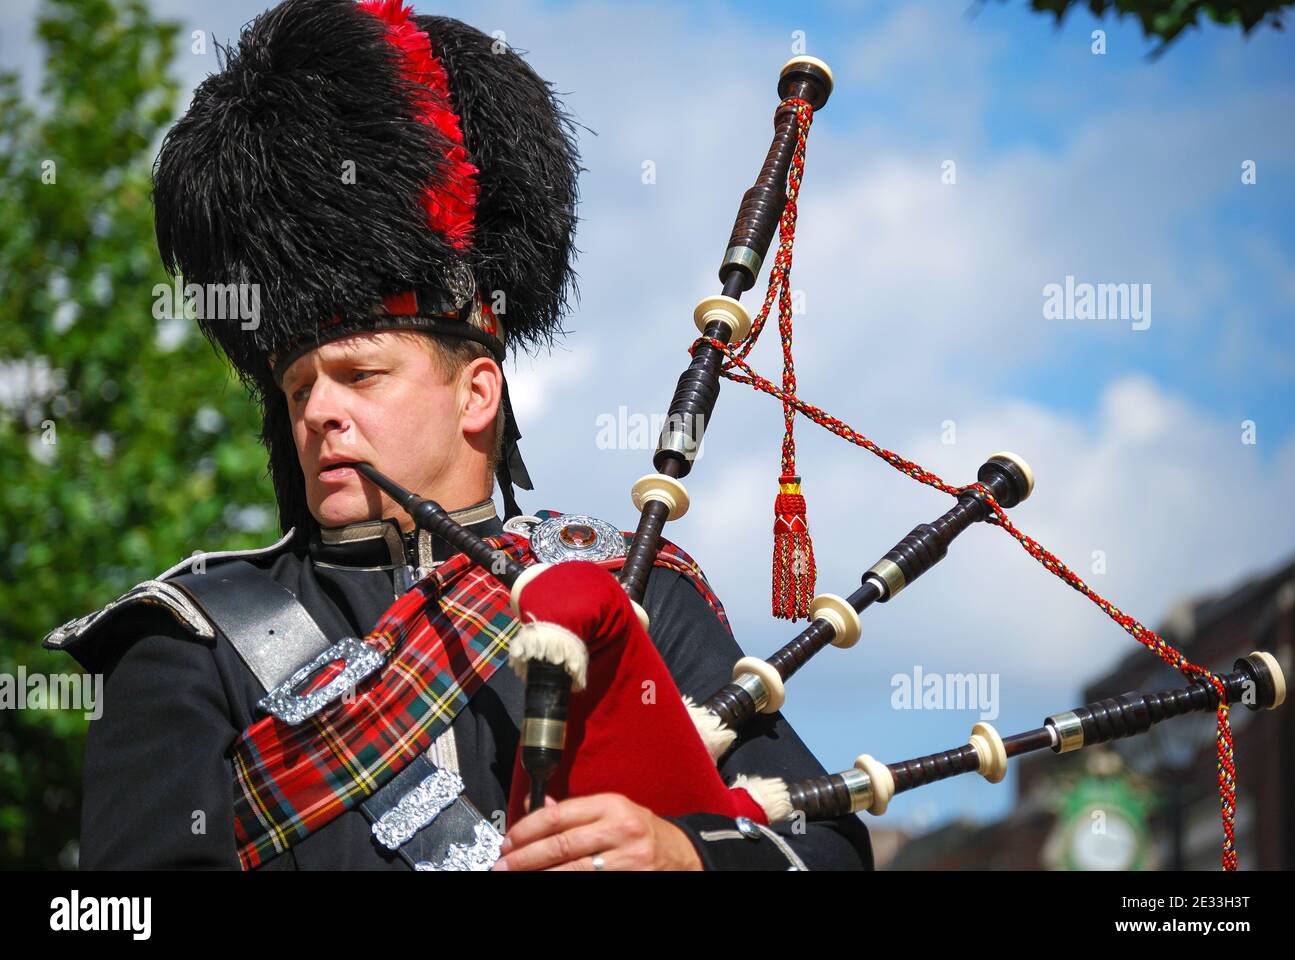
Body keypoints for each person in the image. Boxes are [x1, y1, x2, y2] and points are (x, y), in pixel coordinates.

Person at [42, 0, 873, 871]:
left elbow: (831, 850)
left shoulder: (635, 593)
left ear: (477, 392)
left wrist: (682, 855)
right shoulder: (186, 643)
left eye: (361, 376)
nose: (319, 412)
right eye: (297, 390)